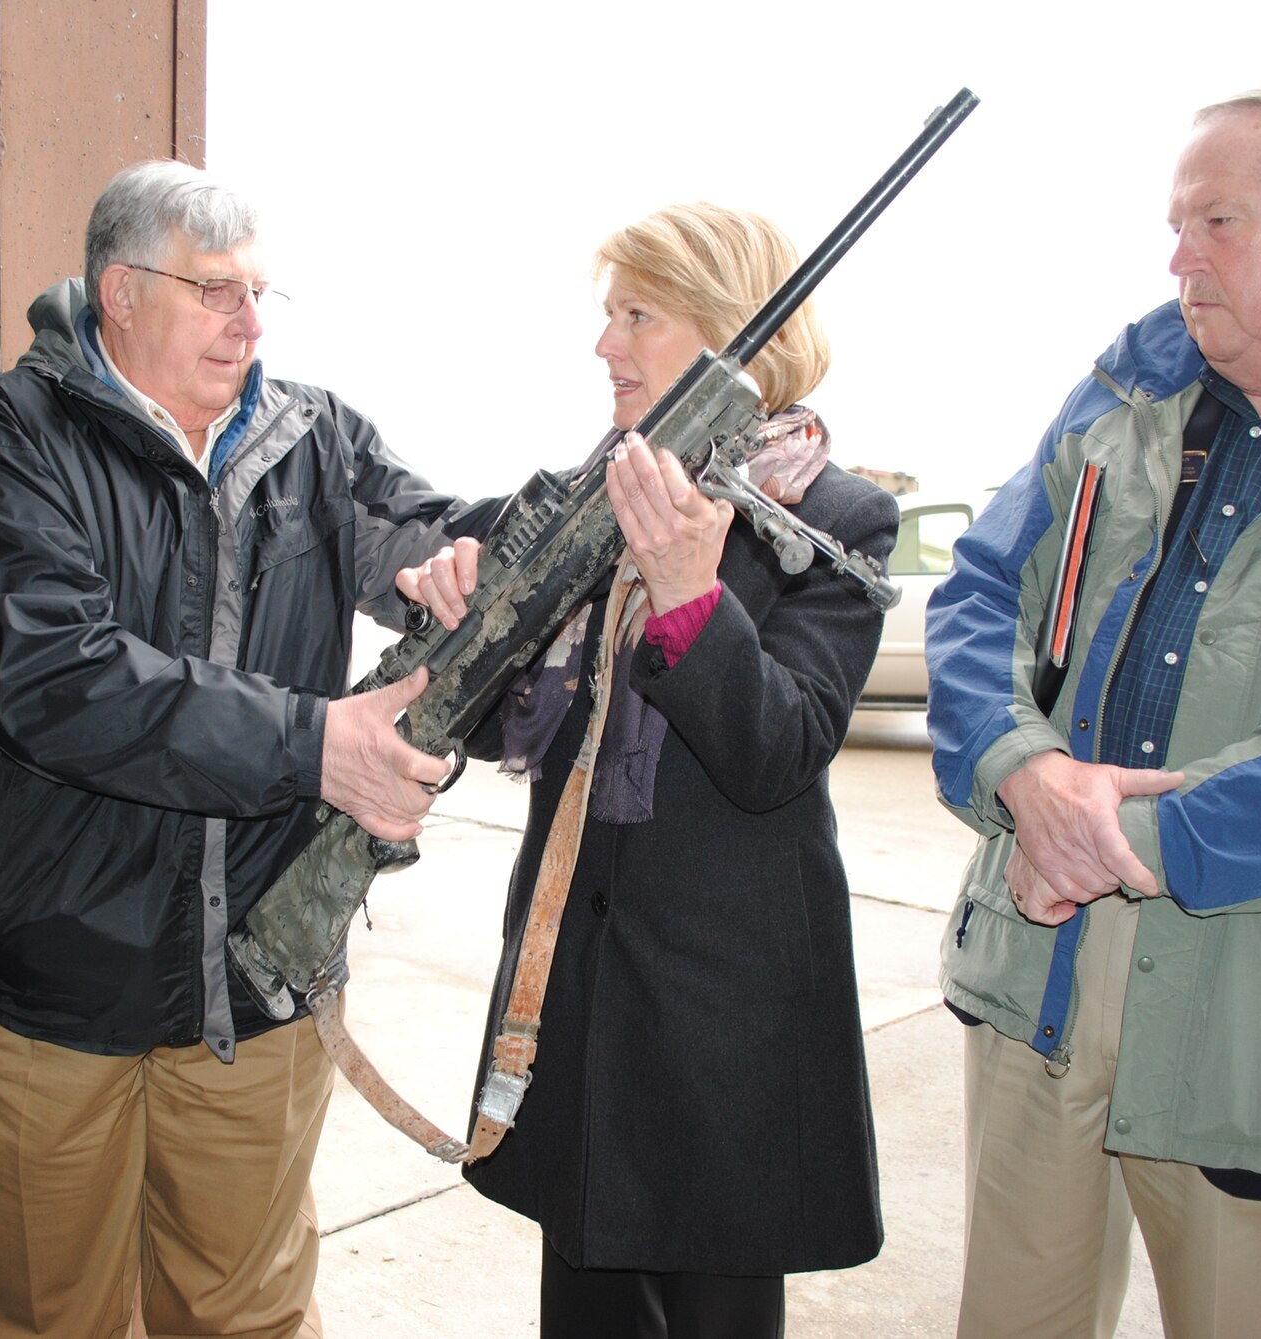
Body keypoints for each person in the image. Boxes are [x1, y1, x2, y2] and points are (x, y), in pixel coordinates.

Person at [927, 85, 1261, 1339]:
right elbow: (974, 597)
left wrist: (1133, 837)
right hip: (1042, 965)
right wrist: (1019, 766)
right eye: (1175, 228)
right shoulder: (1118, 402)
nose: (1178, 259)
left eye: (1215, 222)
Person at [0, 160, 491, 1339]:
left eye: (261, 293)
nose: (250, 322)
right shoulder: (11, 437)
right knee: (43, 1313)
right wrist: (313, 742)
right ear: (119, 291)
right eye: (216, 290)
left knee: (247, 1314)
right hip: (50, 988)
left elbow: (427, 531)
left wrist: (472, 562)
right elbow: (57, 680)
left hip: (259, 987)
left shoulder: (314, 440)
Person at [400, 203, 896, 1338]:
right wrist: (463, 616)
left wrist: (685, 592)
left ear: (727, 335)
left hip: (725, 1011)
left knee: (714, 1307)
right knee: (584, 1300)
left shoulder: (833, 520)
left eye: (637, 314)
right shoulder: (592, 501)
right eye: (606, 314)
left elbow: (778, 749)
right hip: (573, 990)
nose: (603, 345)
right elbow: (504, 723)